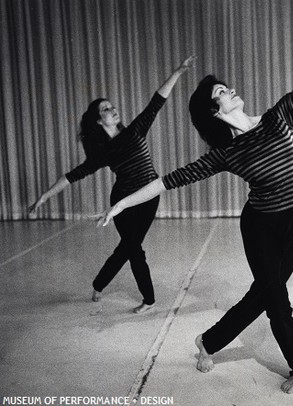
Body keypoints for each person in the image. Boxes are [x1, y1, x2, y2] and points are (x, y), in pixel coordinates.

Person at [96, 3, 293, 393]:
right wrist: (121, 203)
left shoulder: (277, 117)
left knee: (265, 291)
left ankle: (209, 341)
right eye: (222, 91)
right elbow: (169, 181)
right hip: (260, 224)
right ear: (214, 111)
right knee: (276, 298)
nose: (230, 90)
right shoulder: (226, 153)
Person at [29, 56, 196, 314]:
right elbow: (73, 175)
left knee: (130, 246)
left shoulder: (135, 130)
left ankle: (100, 284)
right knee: (132, 248)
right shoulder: (102, 152)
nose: (113, 110)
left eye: (112, 106)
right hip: (120, 201)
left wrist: (177, 71)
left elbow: (157, 102)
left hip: (147, 197)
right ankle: (147, 299)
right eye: (106, 109)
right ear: (98, 120)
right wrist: (44, 196)